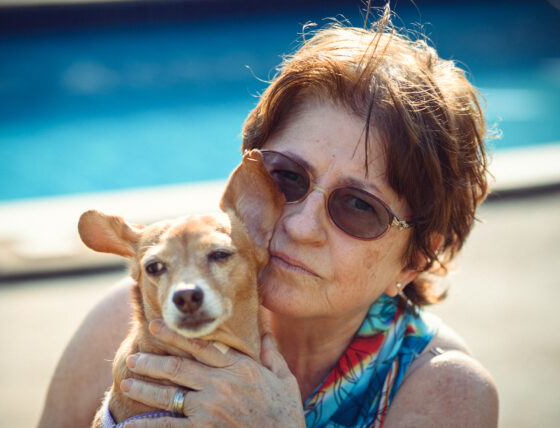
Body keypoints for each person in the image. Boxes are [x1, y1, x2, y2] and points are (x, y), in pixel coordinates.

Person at [39, 8, 498, 428]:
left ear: (415, 260)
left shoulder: (444, 391)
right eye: (287, 178)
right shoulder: (131, 319)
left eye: (359, 206)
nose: (300, 225)